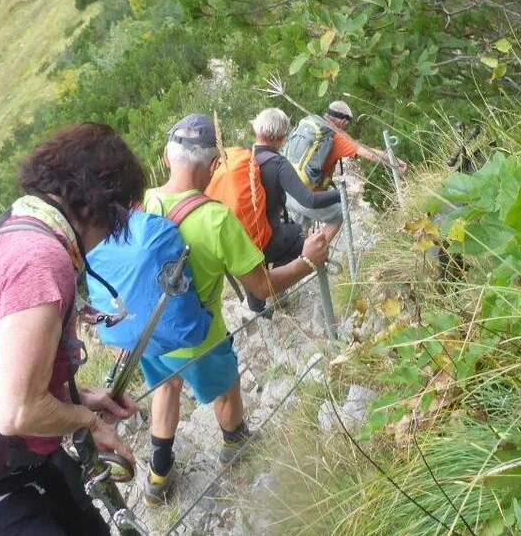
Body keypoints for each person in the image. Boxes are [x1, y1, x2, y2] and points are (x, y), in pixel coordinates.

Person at [0, 123, 145, 536]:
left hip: (15, 469)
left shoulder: (18, 227)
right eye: (117, 219)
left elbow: (9, 380)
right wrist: (88, 422)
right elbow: (15, 411)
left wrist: (83, 399)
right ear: (101, 204)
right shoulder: (40, 257)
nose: (111, 233)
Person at [141, 114, 330, 506]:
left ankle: (158, 475)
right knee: (227, 387)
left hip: (151, 333)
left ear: (166, 157)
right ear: (214, 165)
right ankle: (234, 442)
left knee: (166, 386)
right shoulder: (215, 218)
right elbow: (261, 286)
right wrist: (307, 261)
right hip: (199, 338)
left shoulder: (146, 202)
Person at [246, 107, 341, 313]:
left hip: (244, 239)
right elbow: (309, 200)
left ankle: (257, 306)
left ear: (256, 130)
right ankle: (278, 284)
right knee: (297, 233)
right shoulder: (278, 164)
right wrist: (340, 194)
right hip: (268, 239)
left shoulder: (243, 157)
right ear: (282, 137)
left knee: (264, 246)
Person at [282, 100, 408, 237]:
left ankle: (301, 248)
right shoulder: (336, 138)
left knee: (301, 234)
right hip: (307, 198)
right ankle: (318, 249)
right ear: (343, 122)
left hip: (288, 190)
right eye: (346, 125)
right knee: (341, 213)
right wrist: (394, 161)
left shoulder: (309, 124)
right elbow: (369, 154)